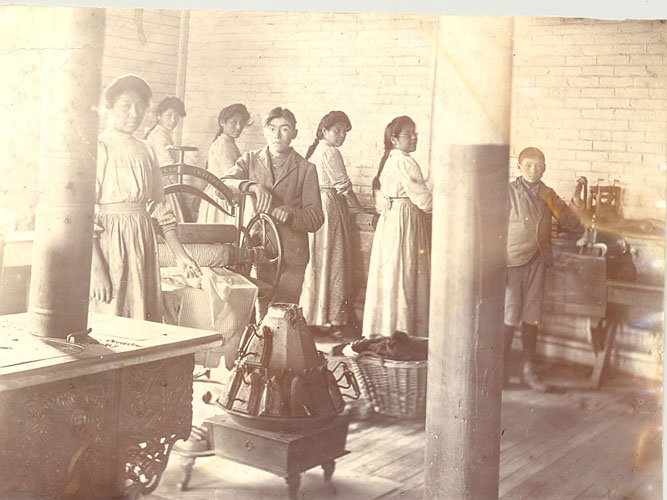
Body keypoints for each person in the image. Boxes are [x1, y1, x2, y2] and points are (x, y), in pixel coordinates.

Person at [90, 74, 201, 321]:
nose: (134, 113)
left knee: (142, 313)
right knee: (112, 312)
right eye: (126, 106)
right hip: (110, 241)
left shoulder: (146, 149)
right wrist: (97, 270)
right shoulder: (101, 146)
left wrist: (181, 256)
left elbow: (160, 208)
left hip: (142, 239)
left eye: (140, 106)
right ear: (109, 108)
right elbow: (86, 213)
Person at [220, 107, 324, 313]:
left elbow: (316, 218)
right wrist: (251, 186)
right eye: (272, 128)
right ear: (265, 131)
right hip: (258, 249)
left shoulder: (306, 168)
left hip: (292, 255)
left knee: (283, 315)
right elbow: (223, 184)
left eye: (284, 129)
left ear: (294, 133)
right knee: (260, 309)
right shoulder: (250, 160)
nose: (277, 135)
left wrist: (292, 213)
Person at [504, 147, 583, 391]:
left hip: (538, 260)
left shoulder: (548, 193)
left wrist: (577, 204)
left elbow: (570, 222)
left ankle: (530, 372)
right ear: (518, 167)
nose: (533, 169)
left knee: (531, 316)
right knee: (509, 316)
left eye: (538, 165)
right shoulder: (507, 191)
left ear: (545, 168)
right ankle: (501, 372)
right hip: (512, 261)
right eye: (527, 165)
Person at [362, 116, 432, 338]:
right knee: (405, 268)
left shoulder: (391, 159)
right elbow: (424, 200)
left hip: (392, 219)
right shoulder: (404, 161)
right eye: (407, 134)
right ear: (394, 139)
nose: (413, 138)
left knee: (393, 271)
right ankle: (404, 330)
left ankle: (387, 328)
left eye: (415, 133)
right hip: (405, 219)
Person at [299, 111, 365, 335]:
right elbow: (343, 186)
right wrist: (361, 209)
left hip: (315, 205)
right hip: (328, 206)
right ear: (324, 131)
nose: (341, 135)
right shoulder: (330, 152)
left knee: (319, 260)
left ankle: (314, 315)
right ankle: (330, 319)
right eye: (337, 130)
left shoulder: (317, 151)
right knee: (332, 258)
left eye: (345, 131)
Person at [197, 103, 251, 225]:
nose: (238, 127)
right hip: (220, 197)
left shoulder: (229, 143)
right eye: (233, 122)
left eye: (242, 122)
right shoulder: (222, 144)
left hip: (226, 193)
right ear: (222, 122)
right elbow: (231, 174)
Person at [145, 96, 188, 221]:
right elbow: (167, 163)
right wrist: (179, 186)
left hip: (165, 178)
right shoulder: (158, 135)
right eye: (168, 116)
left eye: (176, 116)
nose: (173, 120)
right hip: (162, 181)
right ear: (159, 116)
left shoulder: (164, 133)